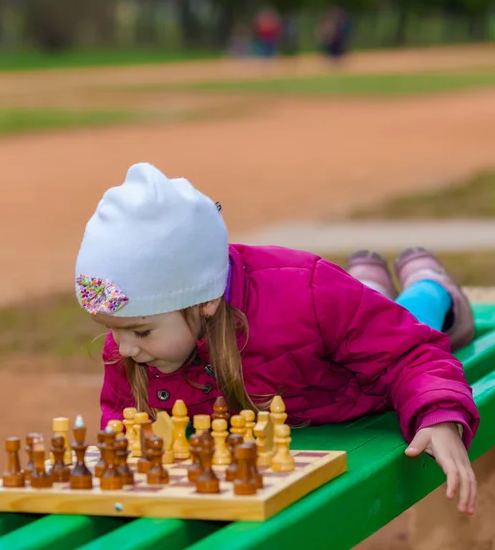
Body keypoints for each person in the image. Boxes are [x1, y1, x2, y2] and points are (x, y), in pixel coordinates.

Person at [74, 162, 479, 514]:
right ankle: (367, 279)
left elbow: (407, 354)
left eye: (140, 331)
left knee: (407, 316)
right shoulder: (136, 337)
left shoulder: (307, 293)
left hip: (353, 380)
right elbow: (124, 424)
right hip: (332, 332)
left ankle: (430, 283)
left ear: (205, 303)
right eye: (112, 330)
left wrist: (439, 415)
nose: (123, 348)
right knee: (363, 303)